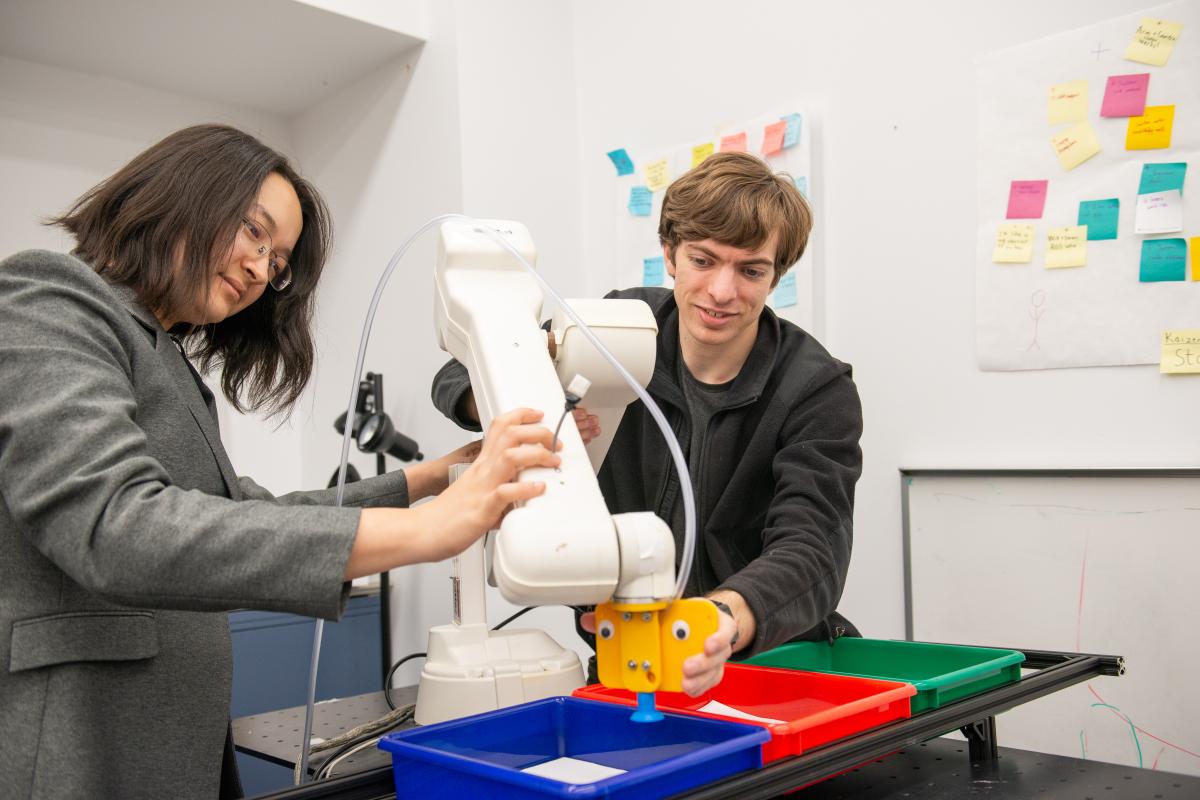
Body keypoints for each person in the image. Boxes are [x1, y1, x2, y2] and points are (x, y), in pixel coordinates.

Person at [0, 124, 560, 799]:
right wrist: (428, 529)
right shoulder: (49, 297)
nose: (263, 270)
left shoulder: (168, 359)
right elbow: (116, 526)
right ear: (182, 195)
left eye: (278, 260)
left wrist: (432, 477)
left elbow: (241, 513)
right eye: (253, 233)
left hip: (181, 745)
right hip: (81, 743)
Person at [432, 151, 863, 694]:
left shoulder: (815, 388)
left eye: (751, 269)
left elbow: (812, 549)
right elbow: (455, 374)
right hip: (627, 657)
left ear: (776, 276)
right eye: (703, 260)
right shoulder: (616, 331)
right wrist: (526, 383)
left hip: (766, 664)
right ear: (670, 254)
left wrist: (717, 623)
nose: (722, 291)